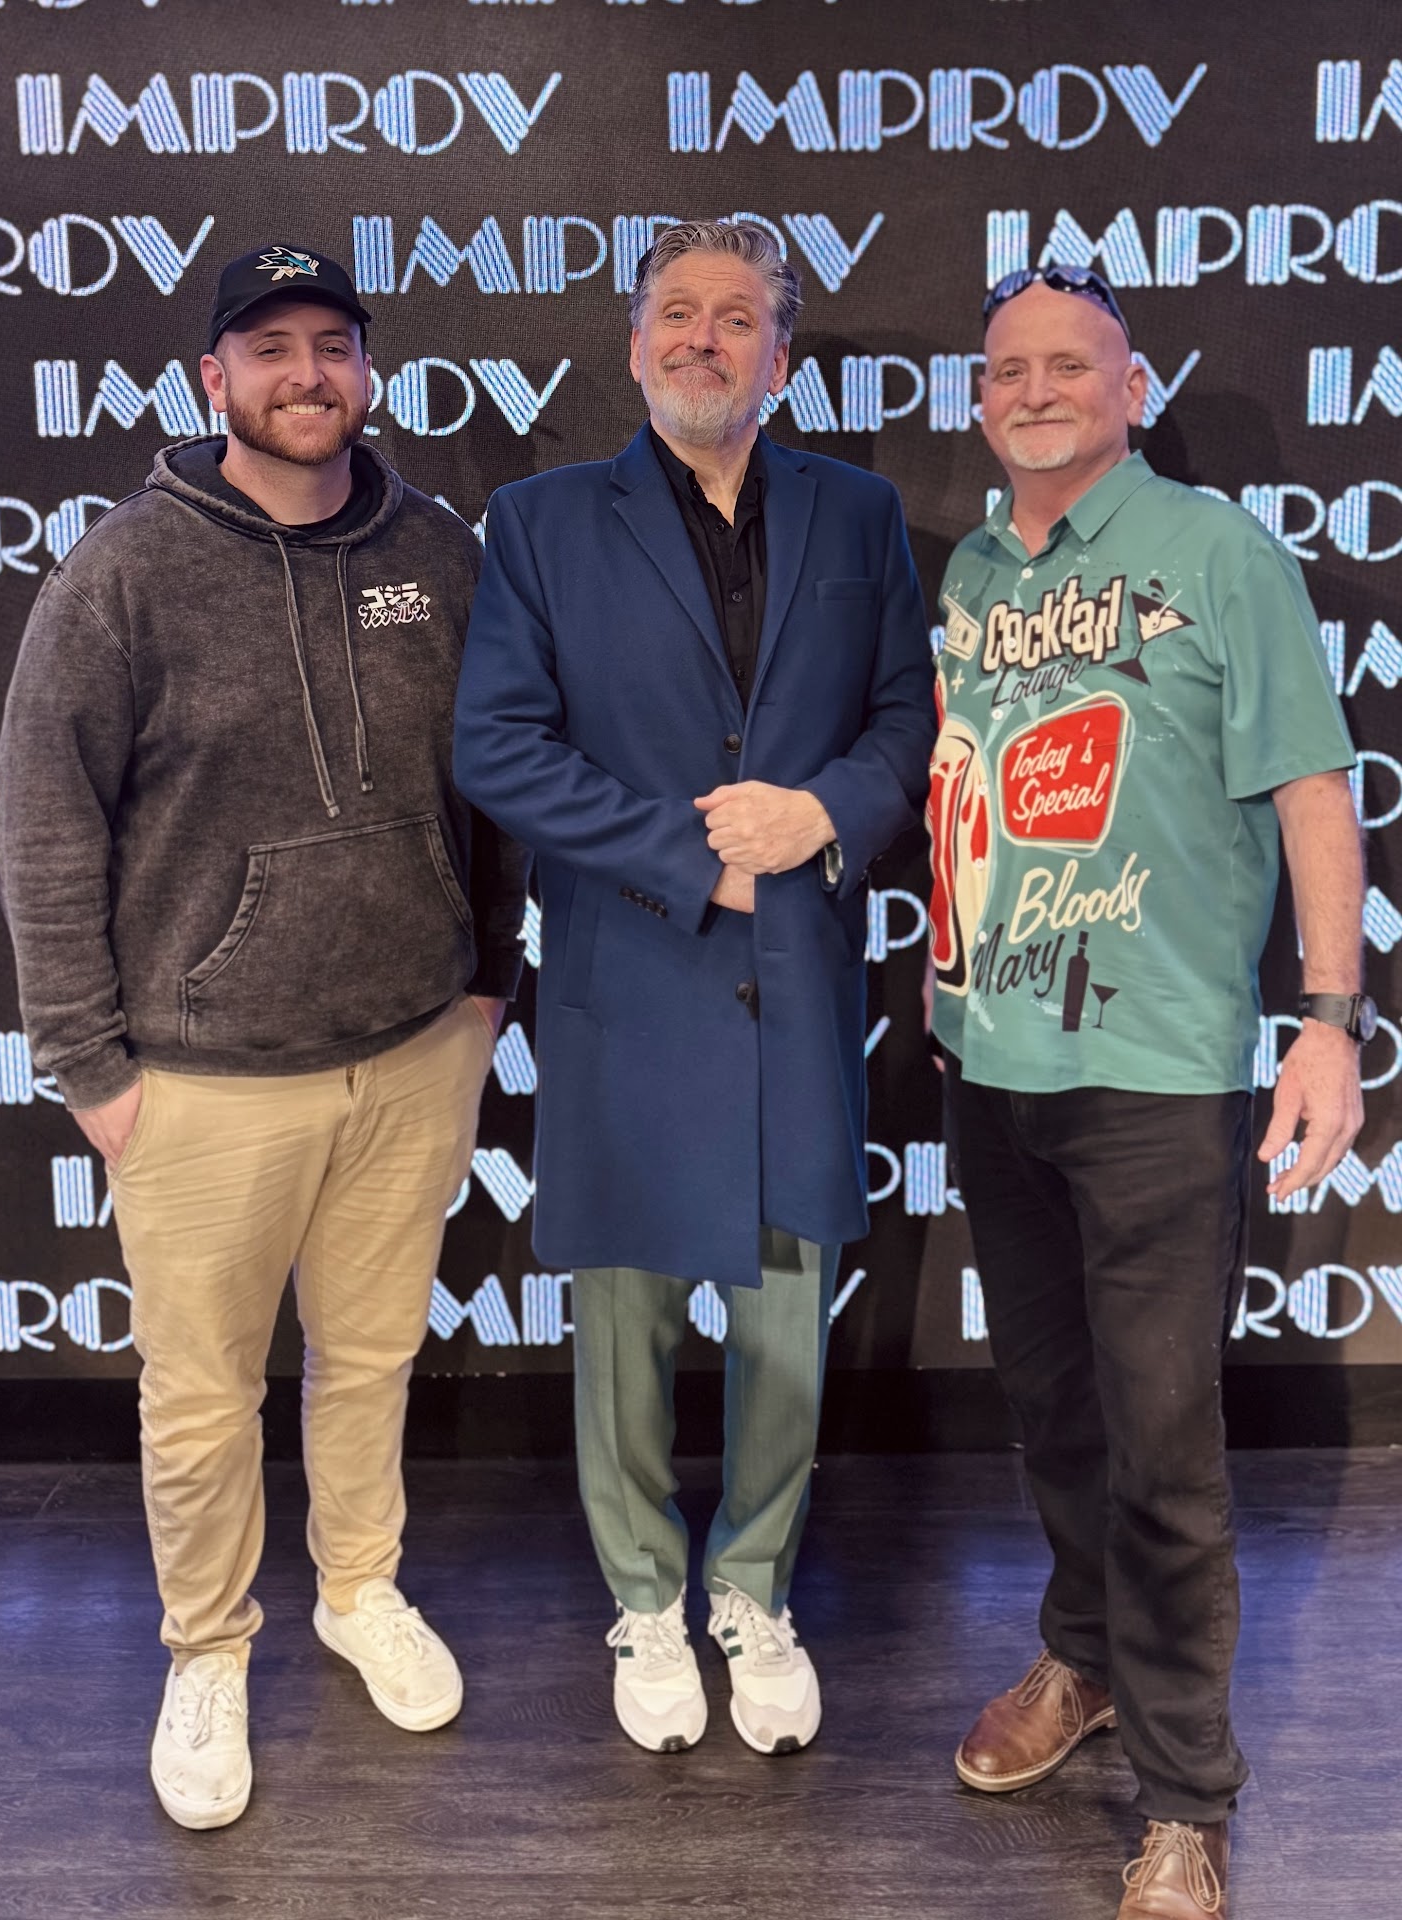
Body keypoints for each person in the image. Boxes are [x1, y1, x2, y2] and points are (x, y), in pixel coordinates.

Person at [0, 244, 529, 1830]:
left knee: (369, 1360)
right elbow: (43, 826)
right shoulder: (123, 574)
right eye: (273, 347)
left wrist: (489, 982)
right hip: (203, 1078)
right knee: (203, 1398)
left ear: (367, 369)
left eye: (334, 345)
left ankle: (359, 1589)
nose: (309, 374)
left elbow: (494, 779)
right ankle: (208, 1650)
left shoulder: (436, 548)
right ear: (213, 377)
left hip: (413, 1049)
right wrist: (89, 1066)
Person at [454, 220, 934, 1756]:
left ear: (780, 355)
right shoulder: (539, 523)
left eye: (737, 317)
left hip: (796, 977)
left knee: (787, 1323)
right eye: (678, 312)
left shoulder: (859, 513)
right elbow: (498, 746)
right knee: (625, 1326)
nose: (703, 339)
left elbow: (906, 717)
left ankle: (754, 1588)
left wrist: (824, 816)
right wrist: (693, 856)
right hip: (635, 976)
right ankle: (646, 1598)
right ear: (634, 342)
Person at [928, 264, 1365, 1918]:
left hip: (1159, 1075)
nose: (1036, 390)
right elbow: (967, 788)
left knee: (1165, 1446)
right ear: (982, 399)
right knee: (1053, 1408)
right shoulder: (976, 570)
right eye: (1009, 369)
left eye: (1071, 365)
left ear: (1130, 390)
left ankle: (1187, 1799)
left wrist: (1329, 1021)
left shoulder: (1218, 554)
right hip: (996, 1062)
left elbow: (1312, 791)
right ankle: (1086, 1655)